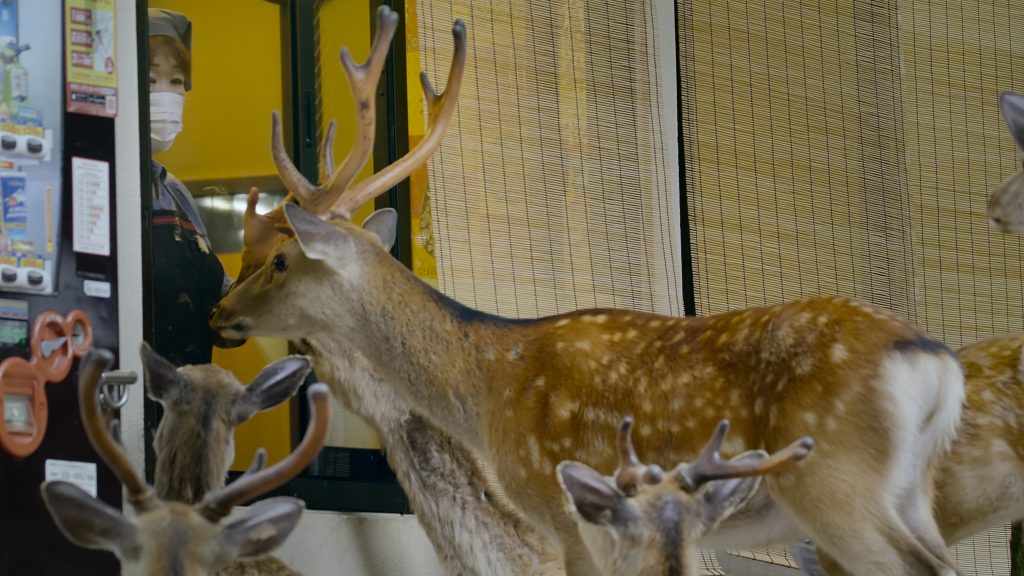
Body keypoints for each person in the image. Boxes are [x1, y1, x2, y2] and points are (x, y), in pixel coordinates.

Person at [148, 9, 239, 366]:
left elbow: (223, 321)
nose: (166, 95)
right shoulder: (100, 188)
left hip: (188, 406)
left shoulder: (176, 194)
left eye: (176, 82)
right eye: (151, 80)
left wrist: (259, 262)